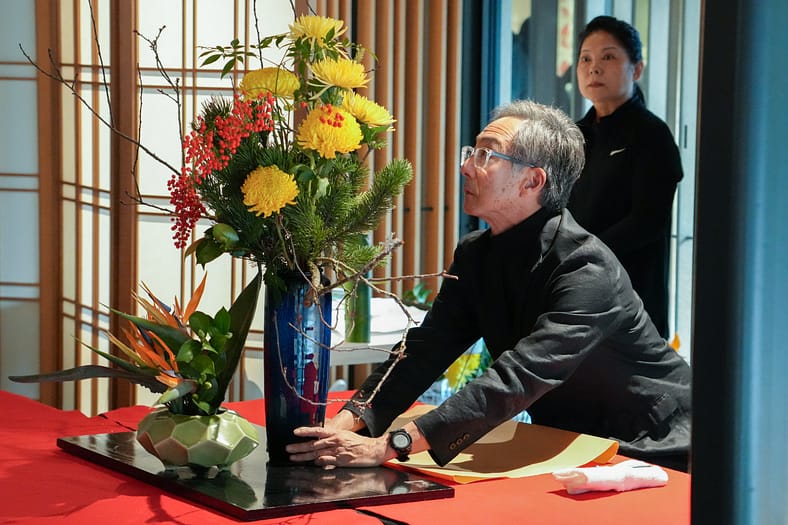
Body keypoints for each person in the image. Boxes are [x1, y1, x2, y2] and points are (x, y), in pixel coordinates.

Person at [286, 100, 692, 472]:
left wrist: (395, 444)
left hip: (654, 442)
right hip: (574, 441)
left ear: (532, 181)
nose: (466, 167)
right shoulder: (476, 255)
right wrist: (347, 421)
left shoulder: (586, 267)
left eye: (485, 155)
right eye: (471, 152)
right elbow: (426, 349)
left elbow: (518, 377)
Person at [567, 16, 684, 339]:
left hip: (631, 299)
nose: (594, 68)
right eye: (586, 59)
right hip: (575, 295)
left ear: (637, 69)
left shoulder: (651, 134)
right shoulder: (574, 135)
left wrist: (583, 255)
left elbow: (647, 221)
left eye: (608, 56)